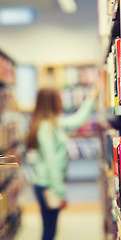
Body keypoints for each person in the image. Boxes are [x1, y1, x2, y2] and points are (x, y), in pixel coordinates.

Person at [25, 83, 99, 240]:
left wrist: (91, 98)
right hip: (47, 186)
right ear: (51, 102)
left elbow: (77, 120)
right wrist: (59, 192)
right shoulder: (46, 127)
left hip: (48, 184)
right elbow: (51, 163)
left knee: (51, 229)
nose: (62, 102)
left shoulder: (54, 123)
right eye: (59, 98)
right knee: (49, 231)